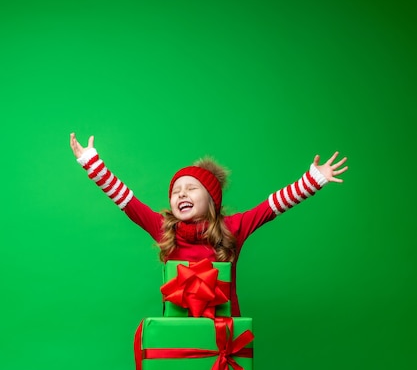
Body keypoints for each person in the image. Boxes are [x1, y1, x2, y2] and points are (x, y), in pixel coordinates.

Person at [70, 133, 348, 315]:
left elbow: (272, 206)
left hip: (225, 336)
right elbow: (127, 201)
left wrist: (313, 180)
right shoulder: (165, 229)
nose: (181, 195)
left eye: (191, 189)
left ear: (212, 201)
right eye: (176, 191)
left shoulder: (233, 228)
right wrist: (93, 164)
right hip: (176, 338)